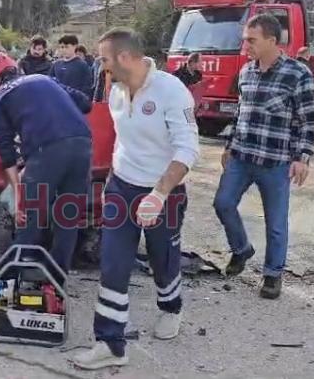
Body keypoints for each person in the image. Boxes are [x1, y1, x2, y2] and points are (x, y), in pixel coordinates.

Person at [71, 28, 199, 370]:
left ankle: (171, 306)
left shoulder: (172, 91)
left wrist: (159, 194)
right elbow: (122, 142)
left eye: (105, 58)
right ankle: (110, 343)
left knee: (162, 258)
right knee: (113, 264)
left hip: (163, 193)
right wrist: (112, 179)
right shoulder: (115, 91)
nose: (101, 66)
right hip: (121, 189)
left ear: (126, 57)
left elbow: (188, 149)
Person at [213, 14, 314, 300]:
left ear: (272, 41)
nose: (245, 45)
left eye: (251, 40)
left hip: (275, 162)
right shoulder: (246, 72)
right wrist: (229, 145)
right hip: (242, 156)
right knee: (222, 204)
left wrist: (303, 157)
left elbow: (310, 121)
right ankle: (241, 249)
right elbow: (240, 113)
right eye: (245, 39)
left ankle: (272, 274)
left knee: (275, 222)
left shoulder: (298, 74)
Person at [0, 52, 93, 272]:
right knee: (67, 216)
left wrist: (17, 197)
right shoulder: (44, 79)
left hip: (47, 150)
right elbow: (85, 103)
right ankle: (56, 280)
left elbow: (7, 154)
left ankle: (8, 280)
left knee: (31, 217)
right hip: (83, 144)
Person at [50, 35, 94, 99]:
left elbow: (86, 89)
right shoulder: (56, 65)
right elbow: (50, 84)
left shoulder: (82, 65)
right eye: (62, 47)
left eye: (67, 47)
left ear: (75, 46)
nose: (64, 50)